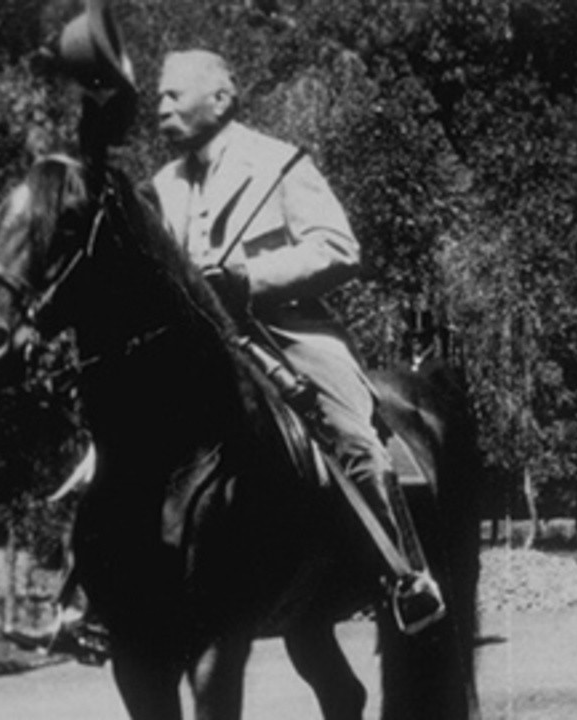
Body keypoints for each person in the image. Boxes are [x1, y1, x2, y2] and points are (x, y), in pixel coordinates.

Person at [148, 49, 444, 633]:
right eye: (158, 96)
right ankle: (90, 595)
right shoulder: (163, 185)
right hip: (198, 341)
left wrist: (248, 279)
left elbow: (339, 249)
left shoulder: (279, 164)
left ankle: (405, 576)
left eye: (172, 95)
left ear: (221, 99)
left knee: (354, 435)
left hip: (284, 330)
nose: (160, 107)